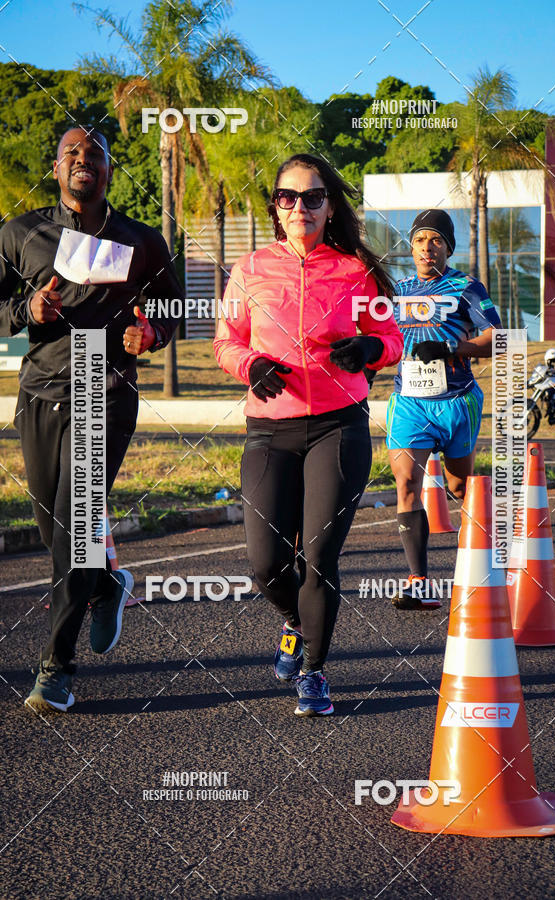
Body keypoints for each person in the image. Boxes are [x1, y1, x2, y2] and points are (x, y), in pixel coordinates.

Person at [214, 153, 403, 716]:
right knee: (265, 563)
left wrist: (369, 347)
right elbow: (225, 341)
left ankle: (314, 672)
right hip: (269, 430)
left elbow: (392, 339)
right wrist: (250, 365)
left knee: (318, 556)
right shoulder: (250, 269)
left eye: (313, 197)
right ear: (276, 206)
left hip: (338, 427)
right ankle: (295, 622)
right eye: (288, 197)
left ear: (329, 207)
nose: (300, 206)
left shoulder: (355, 271)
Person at [0, 126, 181, 712]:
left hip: (104, 389)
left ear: (109, 169)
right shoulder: (20, 233)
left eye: (95, 153)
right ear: (56, 168)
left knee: (75, 532)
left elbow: (173, 306)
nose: (84, 160)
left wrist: (152, 334)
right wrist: (26, 308)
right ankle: (105, 583)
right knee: (53, 530)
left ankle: (56, 667)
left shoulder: (141, 240)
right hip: (40, 392)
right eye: (72, 152)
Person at [386, 209, 501, 609]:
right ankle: (418, 582)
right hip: (409, 404)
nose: (427, 248)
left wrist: (453, 347)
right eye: (420, 240)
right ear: (411, 247)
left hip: (456, 402)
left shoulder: (466, 287)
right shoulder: (397, 291)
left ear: (448, 248)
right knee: (406, 485)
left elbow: (498, 338)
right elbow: (381, 339)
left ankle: (487, 569)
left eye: (436, 240)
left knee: (460, 488)